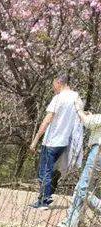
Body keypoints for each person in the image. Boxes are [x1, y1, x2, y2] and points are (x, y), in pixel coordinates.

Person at [29, 74, 82, 208]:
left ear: (59, 83)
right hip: (64, 142)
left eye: (54, 85)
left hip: (52, 141)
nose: (54, 88)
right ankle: (47, 196)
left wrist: (35, 140)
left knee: (44, 171)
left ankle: (43, 201)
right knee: (52, 170)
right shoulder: (76, 97)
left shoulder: (58, 98)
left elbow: (47, 119)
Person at [61, 97, 101, 227]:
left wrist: (79, 109)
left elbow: (88, 122)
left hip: (98, 152)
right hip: (97, 151)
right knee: (81, 187)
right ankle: (71, 222)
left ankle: (71, 221)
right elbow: (93, 122)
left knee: (83, 189)